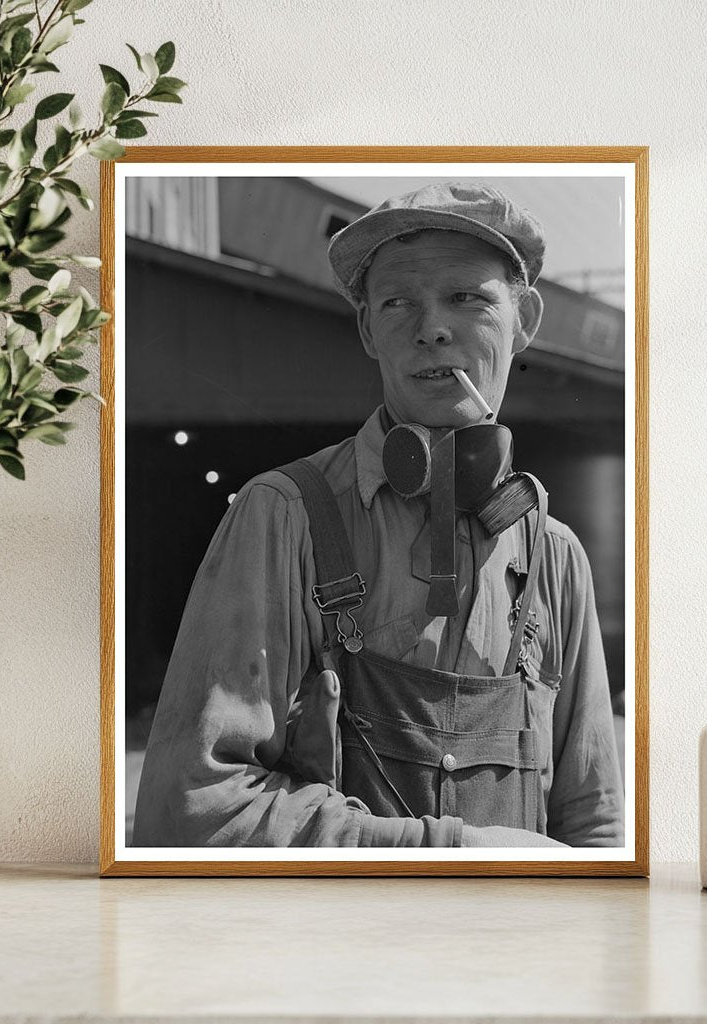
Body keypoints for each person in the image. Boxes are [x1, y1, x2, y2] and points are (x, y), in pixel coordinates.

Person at [133, 182, 624, 848]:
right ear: (367, 328)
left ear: (525, 319)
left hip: (515, 950)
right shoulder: (283, 517)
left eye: (467, 297)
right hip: (343, 947)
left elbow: (594, 824)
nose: (431, 328)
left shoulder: (555, 557)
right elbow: (192, 808)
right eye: (397, 302)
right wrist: (455, 852)